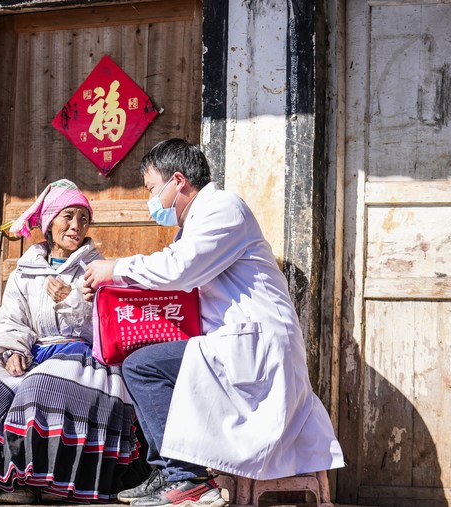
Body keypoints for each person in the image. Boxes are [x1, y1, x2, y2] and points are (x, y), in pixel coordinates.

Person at [84, 139, 344, 507]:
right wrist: (112, 287)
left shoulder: (223, 208)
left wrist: (116, 268)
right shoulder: (195, 222)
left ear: (178, 181)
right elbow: (177, 278)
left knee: (143, 367)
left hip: (254, 347)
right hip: (229, 342)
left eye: (152, 189)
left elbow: (180, 269)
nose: (151, 200)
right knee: (141, 362)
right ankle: (170, 473)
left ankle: (186, 478)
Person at [0, 179, 144, 504]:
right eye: (68, 216)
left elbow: (106, 324)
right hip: (36, 353)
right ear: (49, 222)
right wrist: (12, 350)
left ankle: (28, 481)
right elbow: (12, 321)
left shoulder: (96, 269)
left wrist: (72, 300)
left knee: (41, 385)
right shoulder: (24, 272)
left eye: (83, 219)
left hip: (83, 355)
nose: (76, 226)